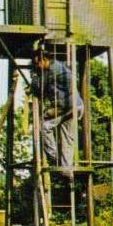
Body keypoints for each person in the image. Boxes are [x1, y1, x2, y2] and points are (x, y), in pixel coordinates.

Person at [31, 47, 84, 178]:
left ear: (44, 60)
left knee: (44, 126)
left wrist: (34, 78)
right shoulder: (55, 68)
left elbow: (39, 89)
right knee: (67, 137)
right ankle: (66, 169)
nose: (37, 66)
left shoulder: (52, 70)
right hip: (75, 106)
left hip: (67, 106)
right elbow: (41, 92)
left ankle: (55, 158)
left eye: (37, 63)